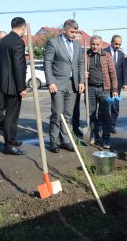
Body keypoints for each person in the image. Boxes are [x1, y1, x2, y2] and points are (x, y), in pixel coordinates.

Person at [44, 19, 85, 153]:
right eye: (72, 32)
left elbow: (80, 64)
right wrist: (50, 82)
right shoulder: (53, 42)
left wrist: (81, 81)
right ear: (65, 30)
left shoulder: (78, 46)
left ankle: (66, 140)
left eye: (76, 32)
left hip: (73, 84)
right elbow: (48, 63)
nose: (75, 34)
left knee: (68, 115)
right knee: (57, 113)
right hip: (58, 84)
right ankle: (54, 141)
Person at [0, 17, 27, 155]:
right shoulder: (17, 42)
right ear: (23, 28)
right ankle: (9, 144)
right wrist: (22, 87)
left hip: (3, 83)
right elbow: (18, 66)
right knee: (11, 116)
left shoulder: (4, 40)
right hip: (13, 85)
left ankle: (12, 140)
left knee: (10, 114)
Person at [86, 35, 117, 149]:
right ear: (90, 44)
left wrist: (114, 89)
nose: (94, 46)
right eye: (93, 44)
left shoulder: (106, 56)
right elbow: (80, 69)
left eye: (97, 44)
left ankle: (106, 138)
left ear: (101, 45)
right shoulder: (86, 55)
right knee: (92, 114)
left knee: (105, 115)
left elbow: (113, 73)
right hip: (90, 88)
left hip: (104, 90)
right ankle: (94, 135)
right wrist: (83, 74)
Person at [103, 35, 127, 134]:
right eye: (116, 43)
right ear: (111, 42)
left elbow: (123, 70)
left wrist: (125, 83)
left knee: (115, 106)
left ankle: (112, 126)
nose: (118, 46)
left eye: (119, 44)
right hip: (105, 84)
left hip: (117, 85)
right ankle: (102, 126)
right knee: (104, 106)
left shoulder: (121, 55)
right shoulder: (104, 52)